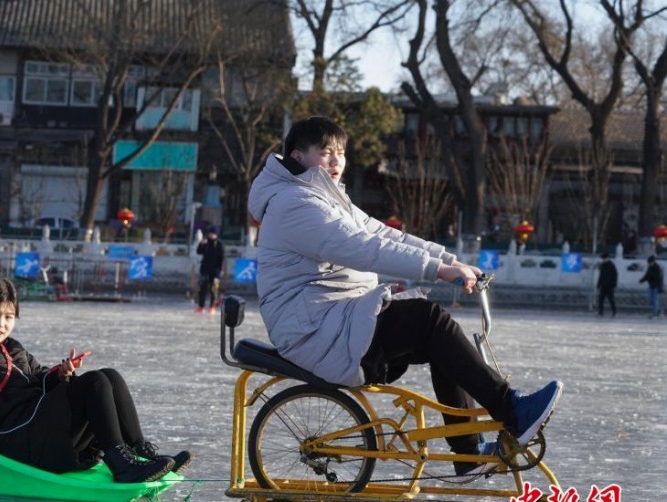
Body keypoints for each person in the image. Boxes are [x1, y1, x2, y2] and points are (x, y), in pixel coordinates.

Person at [247, 116, 563, 481]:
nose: (336, 161)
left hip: (337, 319)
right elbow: (363, 248)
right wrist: (436, 271)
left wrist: (448, 261)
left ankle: (468, 454)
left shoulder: (325, 199)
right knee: (428, 321)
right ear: (299, 156)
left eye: (341, 153)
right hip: (318, 331)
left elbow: (385, 236)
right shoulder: (296, 204)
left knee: (441, 337)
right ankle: (511, 410)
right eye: (326, 153)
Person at [0, 277, 192, 482]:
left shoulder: (12, 348)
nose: (1, 324)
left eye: (9, 317)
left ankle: (140, 454)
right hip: (10, 436)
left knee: (109, 376)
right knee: (94, 383)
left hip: (34, 425)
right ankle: (120, 463)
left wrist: (58, 375)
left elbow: (37, 379)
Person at [196, 226, 225, 313]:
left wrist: (219, 271)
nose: (211, 235)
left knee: (214, 289)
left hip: (215, 270)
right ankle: (201, 306)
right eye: (210, 233)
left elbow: (221, 258)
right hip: (205, 269)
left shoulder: (219, 244)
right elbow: (199, 251)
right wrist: (201, 244)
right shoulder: (206, 243)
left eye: (213, 234)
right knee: (202, 289)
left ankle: (212, 307)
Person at [596, 252, 618, 317]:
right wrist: (598, 284)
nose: (603, 260)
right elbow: (601, 276)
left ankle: (614, 311)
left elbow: (615, 275)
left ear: (608, 258)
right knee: (600, 299)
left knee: (611, 299)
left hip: (609, 286)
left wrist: (614, 285)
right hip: (603, 285)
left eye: (604, 258)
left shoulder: (611, 265)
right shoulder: (603, 266)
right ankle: (600, 312)